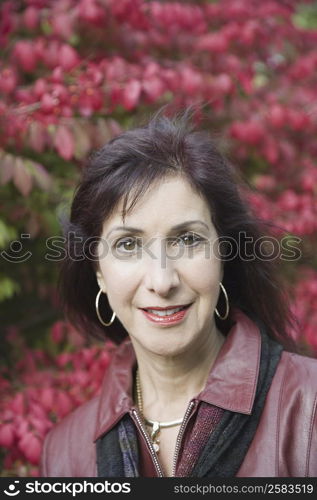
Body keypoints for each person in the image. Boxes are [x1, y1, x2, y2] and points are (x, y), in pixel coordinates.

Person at [40, 109, 317, 477]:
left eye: (187, 239)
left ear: (224, 253)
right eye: (128, 245)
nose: (162, 279)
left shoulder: (308, 406)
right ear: (98, 272)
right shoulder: (64, 451)